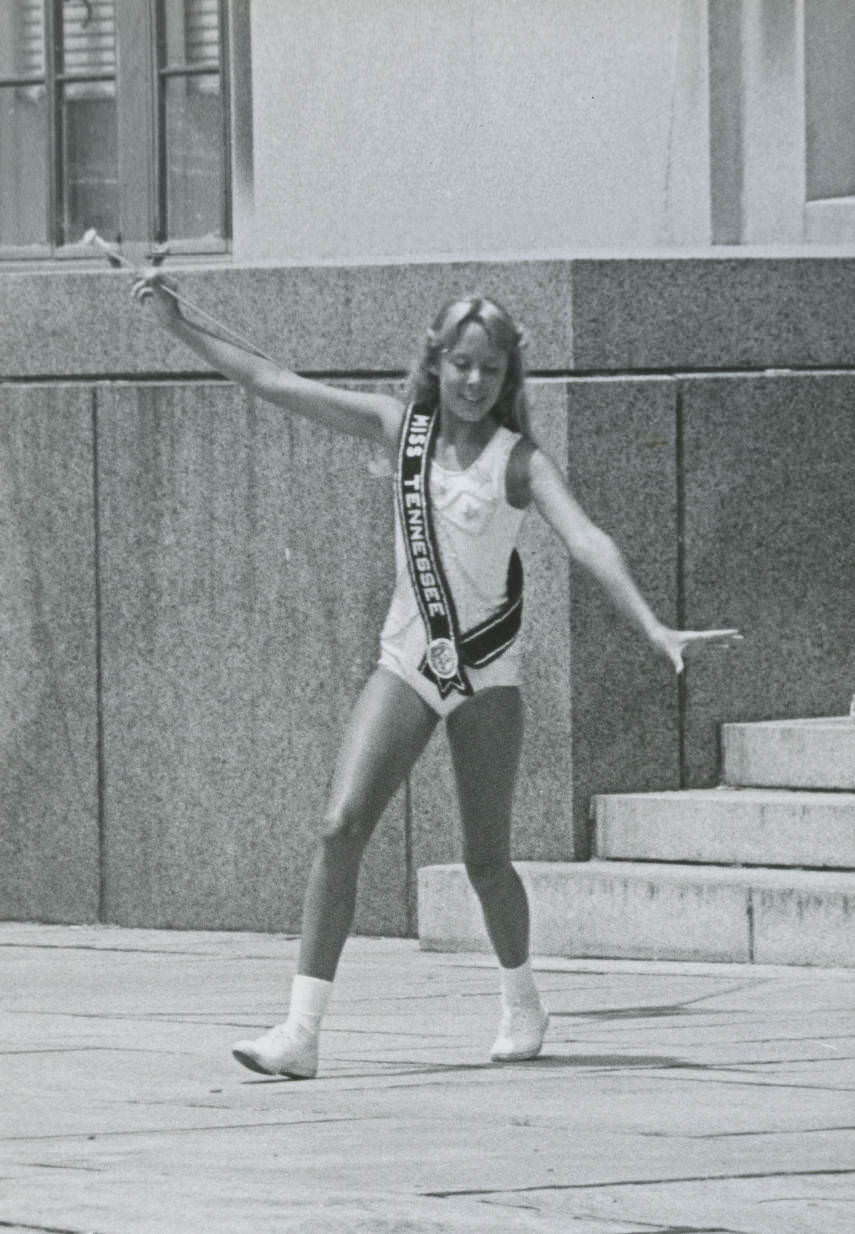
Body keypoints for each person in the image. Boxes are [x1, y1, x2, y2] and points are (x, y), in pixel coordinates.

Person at [132, 274, 740, 1078]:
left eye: (489, 369)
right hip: (408, 662)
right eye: (460, 364)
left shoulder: (517, 461)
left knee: (485, 859)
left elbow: (587, 540)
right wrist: (176, 323)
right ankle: (300, 1032)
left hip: (486, 672)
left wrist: (652, 624)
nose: (473, 381)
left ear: (507, 377)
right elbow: (271, 381)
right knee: (339, 825)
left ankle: (522, 999)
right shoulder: (398, 430)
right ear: (436, 363)